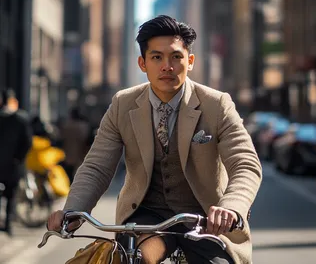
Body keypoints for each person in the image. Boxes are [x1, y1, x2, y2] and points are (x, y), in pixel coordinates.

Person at [47, 15, 262, 264]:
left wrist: (231, 206)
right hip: (147, 217)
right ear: (143, 63)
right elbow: (97, 166)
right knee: (135, 260)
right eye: (156, 57)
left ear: (190, 61)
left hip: (204, 220)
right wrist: (73, 210)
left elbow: (245, 164)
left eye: (176, 57)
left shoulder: (217, 104)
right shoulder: (122, 104)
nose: (166, 66)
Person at [0, 89, 32, 236]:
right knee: (10, 195)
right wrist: (19, 158)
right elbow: (27, 142)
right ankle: (7, 225)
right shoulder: (21, 119)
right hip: (13, 165)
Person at [59, 107, 90, 183]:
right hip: (81, 153)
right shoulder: (84, 126)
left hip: (67, 153)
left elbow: (61, 139)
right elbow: (87, 140)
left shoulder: (66, 126)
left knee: (69, 174)